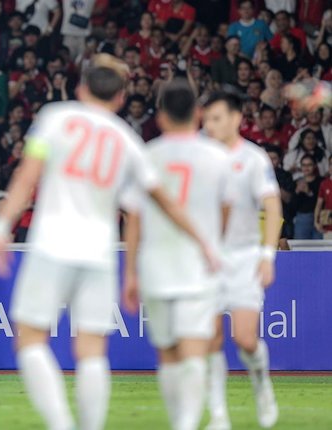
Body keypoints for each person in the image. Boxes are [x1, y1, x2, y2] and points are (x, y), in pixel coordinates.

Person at [0, 54, 217, 430]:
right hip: (99, 253)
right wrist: (203, 242)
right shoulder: (128, 140)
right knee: (92, 350)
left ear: (80, 88)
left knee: (30, 337)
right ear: (121, 98)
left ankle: (62, 424)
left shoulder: (55, 117)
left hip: (52, 243)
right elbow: (160, 203)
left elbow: (28, 176)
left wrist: (2, 225)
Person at [122, 80, 232, 430]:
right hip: (200, 265)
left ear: (162, 117)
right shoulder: (218, 156)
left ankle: (181, 422)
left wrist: (130, 271)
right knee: (195, 348)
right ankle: (187, 422)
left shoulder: (147, 155)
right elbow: (228, 210)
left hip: (156, 264)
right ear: (198, 114)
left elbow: (133, 218)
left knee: (168, 352)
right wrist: (215, 244)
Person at [202, 91, 282, 430]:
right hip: (206, 259)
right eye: (207, 119)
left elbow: (273, 206)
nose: (210, 125)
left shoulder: (253, 158)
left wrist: (267, 255)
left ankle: (262, 385)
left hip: (245, 256)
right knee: (210, 339)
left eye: (217, 118)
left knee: (245, 339)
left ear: (236, 118)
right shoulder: (201, 157)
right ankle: (218, 414)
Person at [292, 154, 324, 240]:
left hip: (319, 218)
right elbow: (292, 206)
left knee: (320, 248)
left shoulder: (322, 182)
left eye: (309, 165)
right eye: (304, 165)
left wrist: (309, 192)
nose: (306, 168)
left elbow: (323, 203)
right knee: (301, 248)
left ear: (315, 166)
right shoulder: (296, 182)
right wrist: (297, 192)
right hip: (302, 219)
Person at [315, 155, 332, 239]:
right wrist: (316, 221)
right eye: (331, 164)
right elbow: (319, 205)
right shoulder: (324, 183)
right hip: (328, 228)